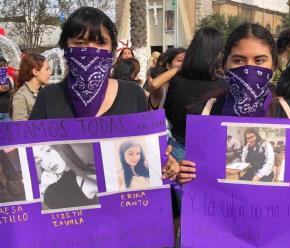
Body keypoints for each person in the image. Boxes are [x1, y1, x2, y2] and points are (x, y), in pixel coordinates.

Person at [29, 7, 178, 182]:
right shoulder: (49, 97)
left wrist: (166, 162)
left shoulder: (132, 94)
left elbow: (147, 154)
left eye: (101, 43)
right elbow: (31, 155)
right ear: (65, 48)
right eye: (80, 43)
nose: (91, 50)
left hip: (124, 206)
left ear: (113, 50)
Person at [176, 23, 290, 185]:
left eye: (259, 60)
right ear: (224, 65)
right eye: (239, 60)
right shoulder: (203, 114)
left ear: (274, 65)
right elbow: (193, 172)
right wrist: (182, 173)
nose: (249, 69)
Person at [165, 27, 226, 162]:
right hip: (209, 153)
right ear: (217, 54)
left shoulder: (177, 81)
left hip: (176, 151)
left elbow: (169, 113)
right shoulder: (223, 86)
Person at [33, 144, 98, 209]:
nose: (47, 163)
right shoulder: (50, 183)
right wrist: (43, 187)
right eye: (39, 160)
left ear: (60, 147)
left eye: (48, 151)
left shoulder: (84, 180)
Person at [12, 53, 50, 121]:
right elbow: (20, 127)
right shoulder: (21, 96)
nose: (49, 73)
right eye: (47, 69)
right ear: (35, 72)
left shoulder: (44, 93)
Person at [0, 56, 13, 122]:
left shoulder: (9, 79)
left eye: (4, 66)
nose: (3, 68)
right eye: (1, 66)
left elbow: (12, 92)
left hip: (6, 114)